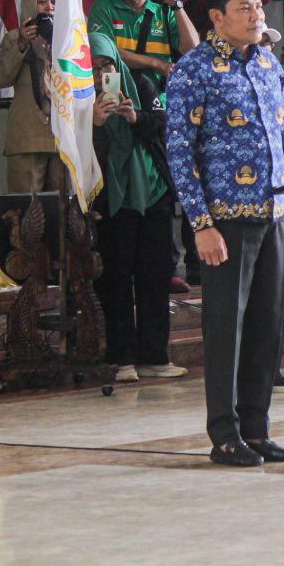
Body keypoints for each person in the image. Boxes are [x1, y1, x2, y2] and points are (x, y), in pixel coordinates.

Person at [166, 0, 284, 468]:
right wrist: (200, 224)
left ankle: (257, 427)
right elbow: (180, 153)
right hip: (223, 222)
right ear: (216, 17)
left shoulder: (269, 64)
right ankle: (224, 433)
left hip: (273, 213)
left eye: (259, 8)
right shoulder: (193, 69)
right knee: (227, 327)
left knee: (268, 325)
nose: (256, 16)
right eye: (244, 8)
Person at [90, 33, 185, 383]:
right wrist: (95, 124)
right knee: (115, 280)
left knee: (154, 276)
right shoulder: (80, 98)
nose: (103, 74)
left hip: (153, 195)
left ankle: (154, 356)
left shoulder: (142, 85)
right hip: (112, 202)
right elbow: (76, 155)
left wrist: (137, 119)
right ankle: (122, 357)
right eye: (95, 67)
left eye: (108, 66)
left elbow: (165, 128)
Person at [88, 0, 200, 105]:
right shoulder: (104, 7)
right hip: (115, 97)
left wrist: (176, 4)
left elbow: (193, 50)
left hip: (158, 102)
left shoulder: (164, 12)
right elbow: (106, 56)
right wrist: (156, 63)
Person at [0, 0, 65, 193]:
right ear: (28, 5)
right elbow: (1, 78)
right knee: (27, 211)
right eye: (42, 1)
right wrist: (22, 44)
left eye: (54, 1)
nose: (49, 7)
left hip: (63, 136)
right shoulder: (14, 37)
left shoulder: (68, 38)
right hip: (27, 137)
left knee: (64, 211)